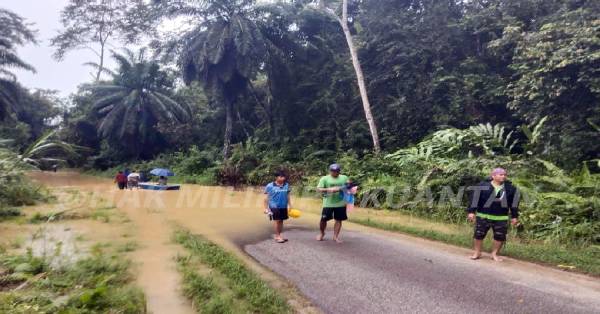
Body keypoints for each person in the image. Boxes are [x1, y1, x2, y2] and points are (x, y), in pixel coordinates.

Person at [467, 168, 520, 261]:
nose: (503, 176)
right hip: (483, 215)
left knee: (500, 237)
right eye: (500, 174)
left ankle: (494, 254)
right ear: (493, 176)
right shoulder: (482, 186)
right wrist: (471, 212)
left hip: (501, 217)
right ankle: (477, 252)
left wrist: (514, 217)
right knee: (478, 235)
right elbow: (474, 200)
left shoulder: (510, 188)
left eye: (504, 175)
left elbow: (514, 204)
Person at [316, 163, 349, 243]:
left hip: (340, 203)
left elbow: (349, 186)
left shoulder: (344, 177)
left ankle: (335, 237)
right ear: (330, 171)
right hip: (328, 203)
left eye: (337, 171)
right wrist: (328, 189)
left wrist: (340, 188)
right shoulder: (325, 178)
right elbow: (318, 189)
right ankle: (322, 233)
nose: (335, 172)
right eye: (333, 171)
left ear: (339, 171)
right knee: (323, 219)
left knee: (338, 219)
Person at [263, 171, 292, 243]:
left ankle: (279, 235)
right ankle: (277, 236)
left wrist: (290, 205)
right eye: (281, 177)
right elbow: (266, 198)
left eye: (283, 177)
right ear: (276, 177)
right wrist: (265, 208)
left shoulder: (286, 185)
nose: (283, 178)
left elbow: (288, 195)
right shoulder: (270, 185)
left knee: (281, 220)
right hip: (273, 205)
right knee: (277, 220)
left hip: (283, 206)